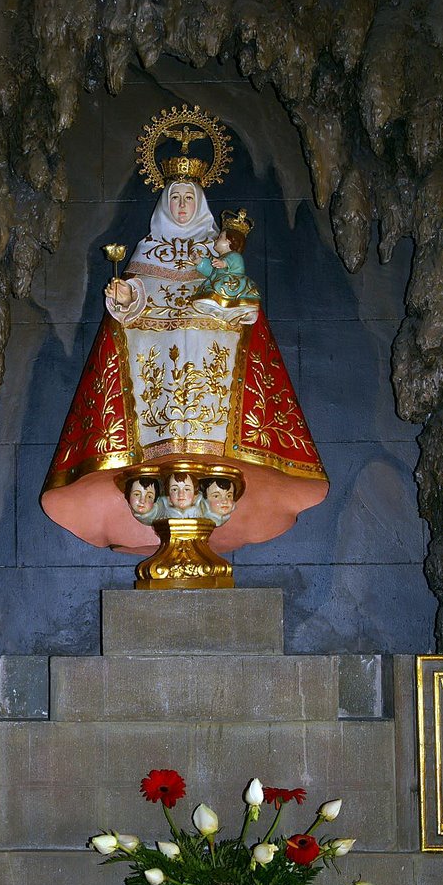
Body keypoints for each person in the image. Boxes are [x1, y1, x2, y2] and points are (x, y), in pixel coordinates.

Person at [41, 110, 328, 557]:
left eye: (188, 199)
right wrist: (124, 295)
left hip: (210, 369)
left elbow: (236, 296)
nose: (181, 207)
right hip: (154, 369)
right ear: (164, 203)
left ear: (200, 204)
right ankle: (160, 493)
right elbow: (135, 294)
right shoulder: (148, 248)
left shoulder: (216, 249)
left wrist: (231, 311)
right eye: (174, 198)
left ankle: (210, 490)